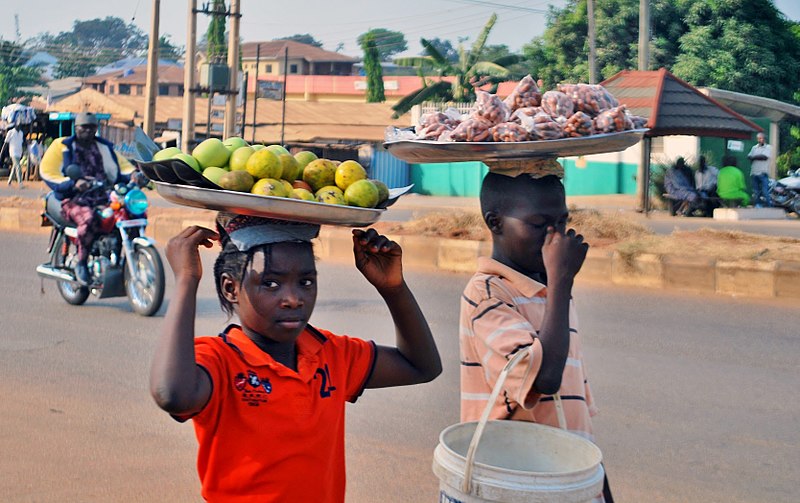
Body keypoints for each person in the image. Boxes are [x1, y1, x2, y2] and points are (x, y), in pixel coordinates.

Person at [149, 214, 442, 502]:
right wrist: (186, 280)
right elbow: (172, 394)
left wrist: (393, 289)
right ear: (231, 288)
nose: (293, 298)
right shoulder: (220, 359)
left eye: (305, 282)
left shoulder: (331, 354)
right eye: (271, 284)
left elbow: (421, 366)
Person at [459, 173, 610, 502]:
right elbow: (546, 378)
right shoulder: (487, 294)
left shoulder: (551, 294)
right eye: (539, 223)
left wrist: (600, 489)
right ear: (495, 223)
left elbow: (576, 418)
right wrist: (561, 281)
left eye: (562, 221)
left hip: (566, 480)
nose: (554, 236)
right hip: (517, 482)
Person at [40, 112, 137, 284]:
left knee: (130, 213)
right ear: (76, 128)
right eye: (84, 127)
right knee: (89, 218)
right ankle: (82, 262)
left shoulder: (104, 147)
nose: (88, 131)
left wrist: (135, 175)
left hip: (102, 197)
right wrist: (72, 183)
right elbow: (48, 172)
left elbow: (123, 168)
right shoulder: (62, 146)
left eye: (92, 127)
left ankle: (125, 256)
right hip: (73, 199)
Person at [747, 132, 772, 207]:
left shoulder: (768, 147)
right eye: (759, 138)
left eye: (761, 138)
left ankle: (769, 206)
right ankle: (758, 206)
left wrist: (754, 157)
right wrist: (757, 157)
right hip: (754, 172)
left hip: (763, 172)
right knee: (756, 192)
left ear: (765, 139)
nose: (760, 140)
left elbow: (764, 157)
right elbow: (748, 156)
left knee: (765, 191)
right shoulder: (754, 147)